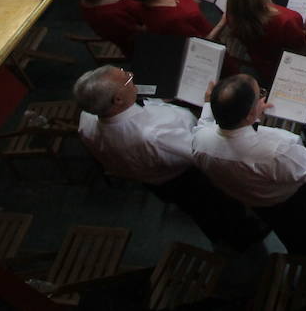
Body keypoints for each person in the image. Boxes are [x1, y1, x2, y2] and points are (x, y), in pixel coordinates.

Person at [74, 67, 264, 252]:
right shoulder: (152, 134)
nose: (132, 75)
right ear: (117, 100)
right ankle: (243, 239)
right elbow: (200, 149)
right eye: (127, 79)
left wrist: (161, 100)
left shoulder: (87, 118)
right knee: (217, 209)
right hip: (186, 178)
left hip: (153, 178)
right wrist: (208, 106)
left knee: (201, 212)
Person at [191, 74, 306, 271]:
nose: (264, 99)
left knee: (289, 233)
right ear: (249, 115)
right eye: (260, 96)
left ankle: (302, 255)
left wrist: (208, 104)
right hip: (296, 198)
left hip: (260, 202)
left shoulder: (200, 141)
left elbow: (204, 124)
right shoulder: (274, 149)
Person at [217, 0, 305, 86]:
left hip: (262, 63)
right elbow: (299, 45)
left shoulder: (233, 18)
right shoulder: (286, 20)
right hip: (286, 63)